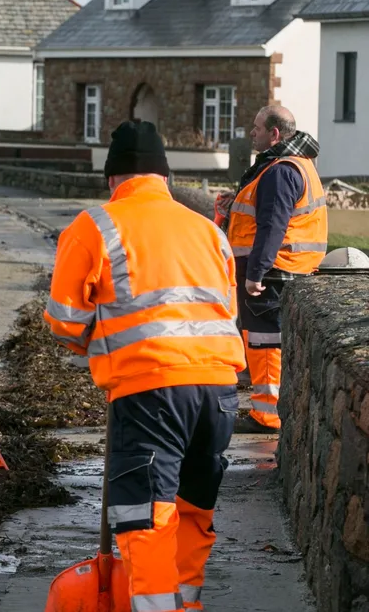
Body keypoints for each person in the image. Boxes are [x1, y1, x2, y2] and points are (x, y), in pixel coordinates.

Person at [45, 121, 247, 612]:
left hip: (151, 391)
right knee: (194, 509)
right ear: (165, 175)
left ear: (112, 178)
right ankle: (185, 605)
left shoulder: (95, 225)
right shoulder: (208, 231)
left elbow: (65, 321)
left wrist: (108, 349)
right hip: (220, 389)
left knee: (147, 518)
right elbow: (227, 312)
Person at [219, 106, 327, 434]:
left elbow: (272, 225)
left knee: (266, 342)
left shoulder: (281, 171)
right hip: (287, 268)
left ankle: (267, 415)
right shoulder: (296, 165)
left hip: (274, 271)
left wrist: (255, 273)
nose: (251, 132)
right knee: (262, 340)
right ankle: (267, 410)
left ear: (274, 134)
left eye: (256, 127)